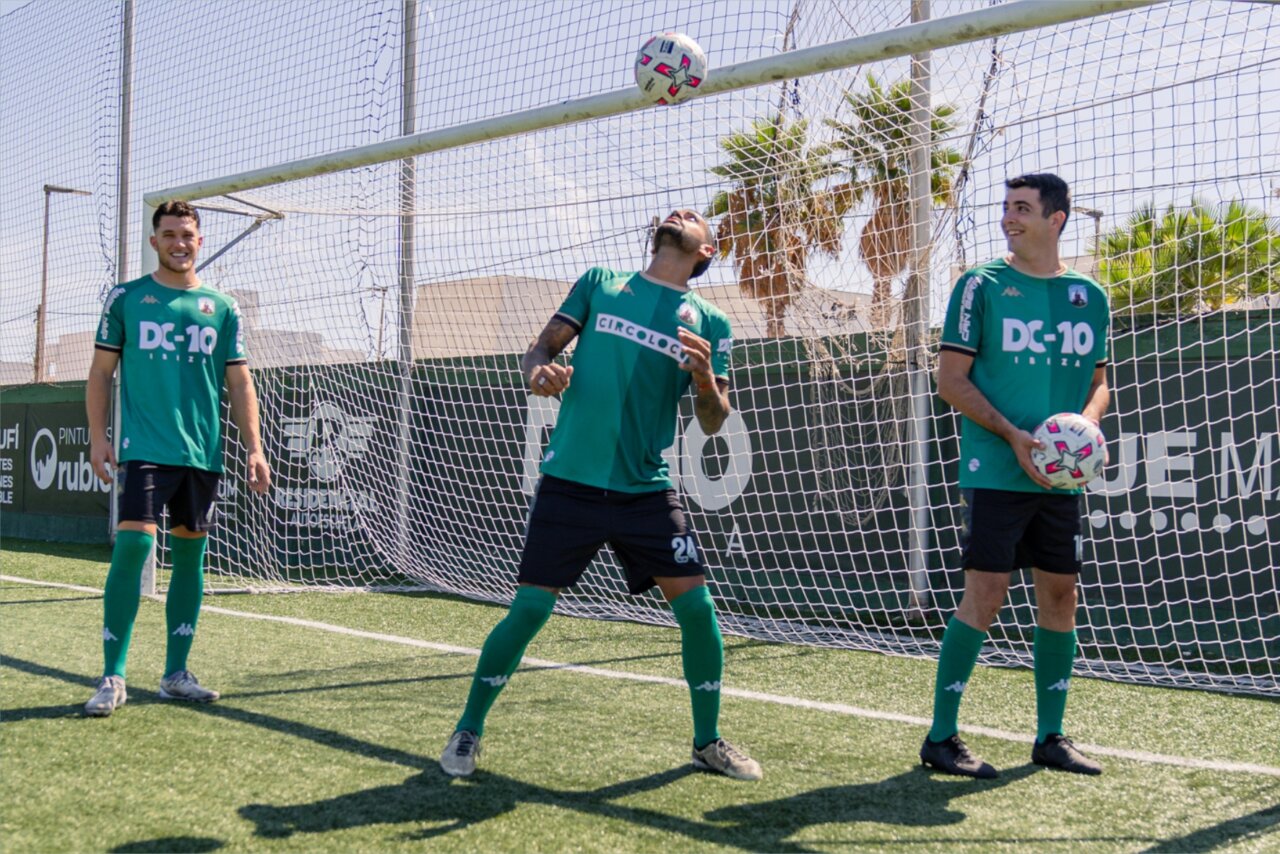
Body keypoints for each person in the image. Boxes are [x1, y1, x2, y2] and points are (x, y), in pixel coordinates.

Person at [439, 208, 761, 781]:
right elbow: (539, 352)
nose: (682, 214)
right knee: (530, 609)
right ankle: (468, 729)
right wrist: (540, 373)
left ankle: (707, 742)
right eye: (676, 212)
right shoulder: (599, 283)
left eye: (696, 219)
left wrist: (704, 377)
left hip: (646, 492)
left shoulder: (710, 322)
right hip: (571, 484)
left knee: (699, 611)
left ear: (705, 252)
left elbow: (714, 422)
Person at [920, 173, 1110, 777]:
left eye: (1023, 209)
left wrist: (1079, 429)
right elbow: (950, 381)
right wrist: (1015, 436)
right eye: (1007, 208)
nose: (1010, 218)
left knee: (1060, 596)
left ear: (1057, 219)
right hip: (998, 467)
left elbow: (1100, 382)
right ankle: (941, 739)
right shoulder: (981, 286)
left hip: (1060, 476)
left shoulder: (1089, 295)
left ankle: (1050, 736)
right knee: (987, 594)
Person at [83, 200, 271, 717]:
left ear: (199, 241)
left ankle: (176, 673)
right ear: (154, 242)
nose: (178, 243)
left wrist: (254, 447)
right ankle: (112, 675)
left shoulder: (222, 306)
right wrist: (99, 437)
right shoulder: (127, 298)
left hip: (202, 453)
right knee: (132, 549)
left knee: (190, 556)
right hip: (143, 449)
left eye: (187, 234)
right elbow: (100, 373)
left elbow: (239, 380)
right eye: (169, 234)